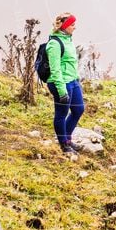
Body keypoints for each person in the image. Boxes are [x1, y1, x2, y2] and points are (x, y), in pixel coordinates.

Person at [45, 12, 85, 154]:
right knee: (61, 114)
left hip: (72, 81)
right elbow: (55, 70)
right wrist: (62, 91)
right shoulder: (54, 44)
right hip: (60, 83)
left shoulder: (68, 39)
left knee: (78, 109)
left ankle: (67, 139)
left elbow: (70, 62)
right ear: (66, 26)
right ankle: (64, 145)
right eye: (72, 25)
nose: (75, 27)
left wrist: (77, 78)